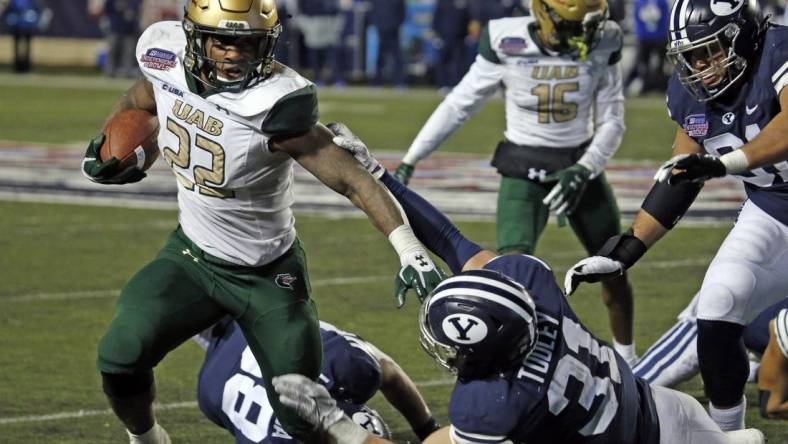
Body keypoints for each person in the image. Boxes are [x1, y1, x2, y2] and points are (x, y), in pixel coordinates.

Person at [79, 1, 444, 443]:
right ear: (195, 38)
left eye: (247, 44)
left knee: (301, 416)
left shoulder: (276, 103)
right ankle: (147, 438)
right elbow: (139, 100)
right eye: (223, 42)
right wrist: (113, 144)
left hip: (269, 275)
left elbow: (352, 180)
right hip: (193, 257)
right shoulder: (164, 57)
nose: (235, 55)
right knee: (119, 355)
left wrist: (409, 248)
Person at [270, 122, 767, 444]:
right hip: (669, 413)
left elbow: (448, 238)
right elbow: (449, 240)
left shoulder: (493, 404)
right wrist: (379, 175)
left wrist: (335, 424)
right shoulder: (530, 283)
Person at [564, 0, 788, 432]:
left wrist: (727, 163)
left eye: (709, 51)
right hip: (775, 208)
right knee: (720, 298)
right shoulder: (690, 94)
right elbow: (680, 175)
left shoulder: (779, 51)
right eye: (691, 55)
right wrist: (627, 249)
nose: (700, 66)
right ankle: (727, 435)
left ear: (742, 35)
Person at [394, 0, 639, 364]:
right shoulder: (506, 39)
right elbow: (461, 102)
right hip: (522, 168)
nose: (585, 33)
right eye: (574, 25)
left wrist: (585, 168)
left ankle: (630, 361)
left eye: (589, 24)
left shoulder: (605, 37)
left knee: (614, 269)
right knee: (511, 273)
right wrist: (412, 157)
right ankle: (529, 360)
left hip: (578, 167)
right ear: (543, 14)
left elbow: (612, 120)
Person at [194, 317, 441, 442]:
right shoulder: (348, 365)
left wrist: (428, 431)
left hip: (225, 372)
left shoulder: (346, 364)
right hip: (221, 379)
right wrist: (428, 431)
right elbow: (391, 374)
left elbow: (390, 373)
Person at [625, 0, 670, 96]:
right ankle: (644, 86)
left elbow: (666, 18)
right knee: (642, 64)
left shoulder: (660, 2)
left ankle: (658, 87)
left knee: (659, 65)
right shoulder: (640, 2)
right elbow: (636, 18)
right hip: (646, 37)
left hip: (657, 37)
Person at [432, 0, 471, 92]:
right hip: (444, 36)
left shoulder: (463, 2)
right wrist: (436, 35)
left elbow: (467, 18)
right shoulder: (443, 2)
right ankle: (443, 84)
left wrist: (466, 34)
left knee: (459, 61)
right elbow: (437, 17)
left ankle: (457, 84)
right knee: (443, 60)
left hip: (460, 37)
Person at [368, 0, 406, 87]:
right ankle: (377, 82)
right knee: (380, 57)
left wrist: (396, 25)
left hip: (393, 31)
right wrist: (378, 25)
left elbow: (402, 13)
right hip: (382, 30)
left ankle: (399, 82)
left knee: (397, 57)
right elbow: (373, 12)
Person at [1, 0, 42, 73]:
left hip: (27, 25)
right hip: (17, 25)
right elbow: (8, 12)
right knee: (17, 47)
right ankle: (17, 67)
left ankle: (26, 67)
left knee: (27, 48)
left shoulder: (31, 2)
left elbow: (36, 11)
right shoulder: (14, 2)